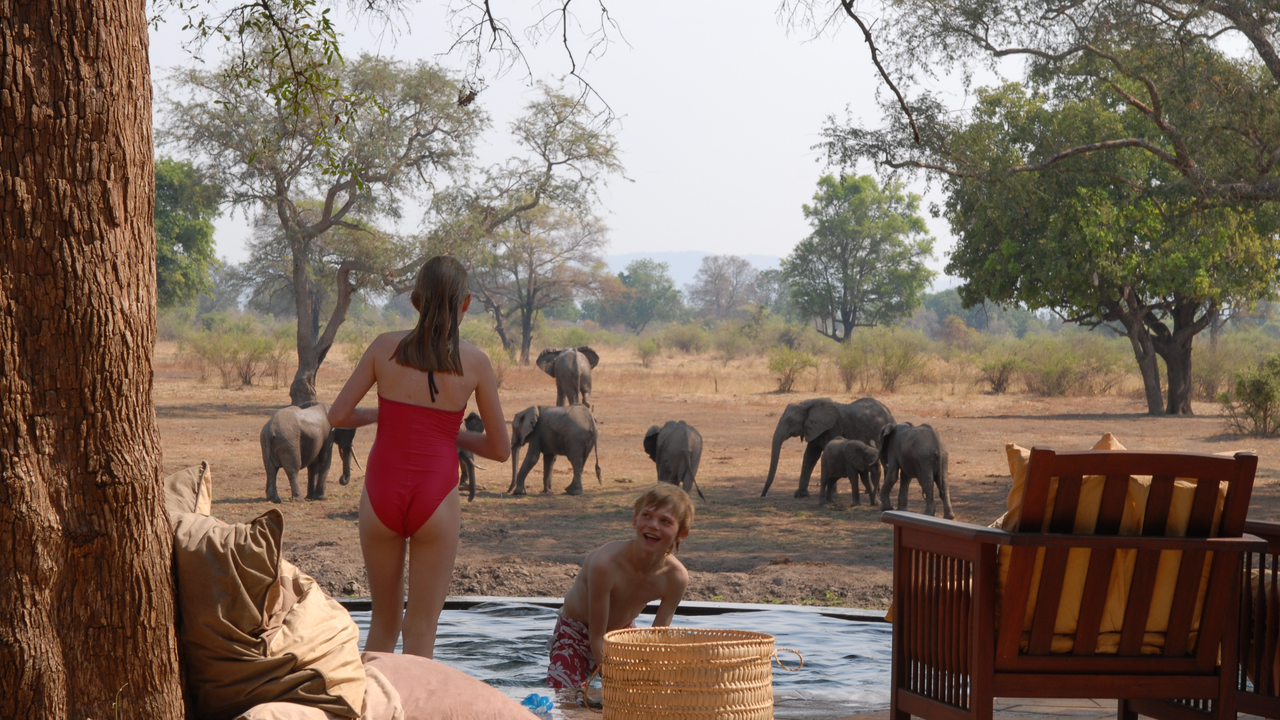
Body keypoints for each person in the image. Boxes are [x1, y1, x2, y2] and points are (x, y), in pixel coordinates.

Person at [328, 256, 509, 658]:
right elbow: (500, 450)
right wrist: (444, 431)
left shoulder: (383, 347)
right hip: (437, 499)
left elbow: (337, 415)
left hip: (379, 495)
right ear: (466, 303)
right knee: (422, 629)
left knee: (382, 623)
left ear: (414, 301)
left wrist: (384, 415)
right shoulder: (476, 362)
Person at [546, 484, 694, 688]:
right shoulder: (605, 564)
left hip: (619, 636)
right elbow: (596, 636)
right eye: (647, 516)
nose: (653, 525)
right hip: (575, 633)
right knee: (565, 701)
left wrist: (649, 680)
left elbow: (656, 639)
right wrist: (616, 683)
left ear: (681, 533)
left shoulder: (675, 578)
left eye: (665, 521)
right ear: (635, 520)